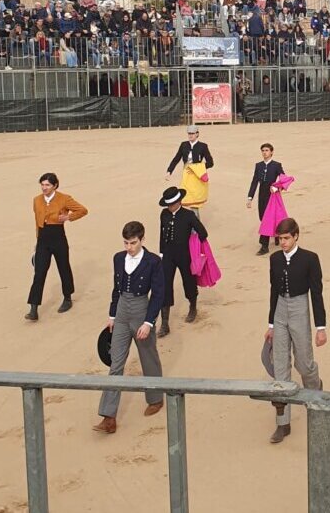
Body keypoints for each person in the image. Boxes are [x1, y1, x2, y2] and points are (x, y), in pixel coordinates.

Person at [93, 221, 165, 434]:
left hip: (142, 309)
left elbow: (158, 294)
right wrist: (112, 315)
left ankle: (155, 398)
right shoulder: (118, 258)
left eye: (133, 243)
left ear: (142, 240)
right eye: (125, 243)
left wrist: (148, 322)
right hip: (123, 311)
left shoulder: (153, 261)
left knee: (148, 357)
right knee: (116, 362)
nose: (129, 247)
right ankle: (108, 416)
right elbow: (116, 288)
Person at [265, 218, 327, 444]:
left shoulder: (310, 259)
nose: (283, 243)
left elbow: (316, 294)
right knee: (280, 365)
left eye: (286, 238)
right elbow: (273, 290)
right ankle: (283, 423)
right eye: (280, 239)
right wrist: (271, 324)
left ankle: (315, 393)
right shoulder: (274, 259)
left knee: (304, 362)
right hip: (281, 310)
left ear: (296, 236)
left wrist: (321, 327)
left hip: (301, 309)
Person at [27, 173, 88, 320]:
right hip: (43, 239)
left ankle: (67, 298)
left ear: (55, 185)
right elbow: (37, 222)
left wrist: (68, 217)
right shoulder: (36, 200)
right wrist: (37, 241)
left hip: (58, 238)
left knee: (63, 267)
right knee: (39, 272)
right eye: (42, 184)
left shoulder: (64, 198)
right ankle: (33, 308)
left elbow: (83, 210)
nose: (44, 188)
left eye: (47, 185)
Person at [158, 186, 209, 334]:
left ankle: (193, 307)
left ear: (179, 201)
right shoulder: (164, 214)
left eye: (172, 204)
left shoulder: (188, 215)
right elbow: (162, 234)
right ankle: (165, 323)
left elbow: (203, 233)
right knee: (165, 284)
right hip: (168, 255)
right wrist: (161, 253)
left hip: (184, 255)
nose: (170, 207)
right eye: (168, 205)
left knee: (189, 281)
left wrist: (195, 247)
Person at [247, 143, 285, 255]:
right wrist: (250, 197)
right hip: (262, 194)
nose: (264, 152)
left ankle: (264, 246)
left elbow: (284, 178)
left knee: (266, 219)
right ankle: (277, 234)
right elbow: (254, 182)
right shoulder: (258, 165)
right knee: (262, 216)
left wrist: (276, 187)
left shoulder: (276, 165)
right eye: (263, 150)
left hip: (273, 195)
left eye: (267, 150)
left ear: (272, 152)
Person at [166, 125, 215, 209]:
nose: (190, 135)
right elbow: (176, 158)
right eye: (189, 133)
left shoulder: (203, 146)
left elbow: (210, 163)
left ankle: (195, 220)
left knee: (195, 203)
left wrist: (197, 168)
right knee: (184, 197)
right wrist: (169, 171)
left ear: (197, 134)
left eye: (192, 133)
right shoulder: (183, 145)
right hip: (186, 175)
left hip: (197, 176)